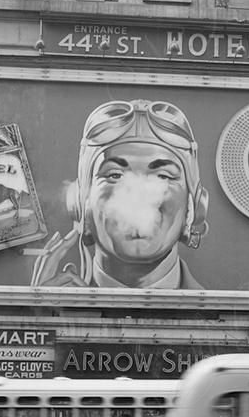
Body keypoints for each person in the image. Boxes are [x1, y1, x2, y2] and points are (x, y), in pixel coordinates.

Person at [31, 99, 209, 289]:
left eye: (163, 176)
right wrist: (36, 313)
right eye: (114, 175)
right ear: (81, 204)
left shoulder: (215, 316)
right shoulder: (52, 306)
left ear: (194, 207)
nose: (138, 196)